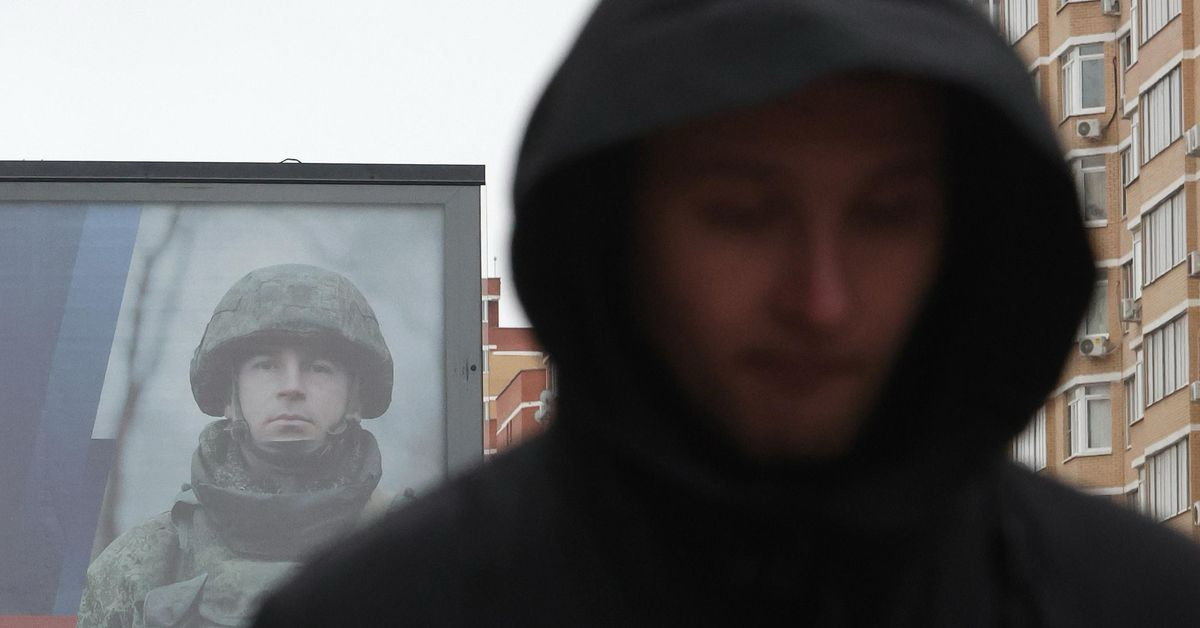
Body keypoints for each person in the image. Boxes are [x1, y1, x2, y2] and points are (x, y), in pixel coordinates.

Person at [253, 0, 1200, 625]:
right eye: (741, 215)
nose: (821, 300)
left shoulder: (1138, 605)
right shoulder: (383, 613)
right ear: (616, 231)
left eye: (886, 215)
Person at [78, 264, 398, 628]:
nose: (292, 386)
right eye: (266, 366)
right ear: (230, 397)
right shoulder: (140, 566)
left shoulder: (421, 552)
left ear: (355, 398)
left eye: (319, 367)